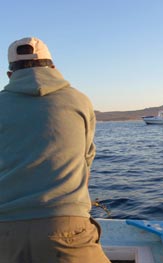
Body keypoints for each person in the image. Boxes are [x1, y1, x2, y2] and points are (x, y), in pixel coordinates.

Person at [0, 37, 110, 262]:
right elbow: (85, 163)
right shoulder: (79, 101)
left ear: (10, 75)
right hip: (67, 226)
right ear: (53, 68)